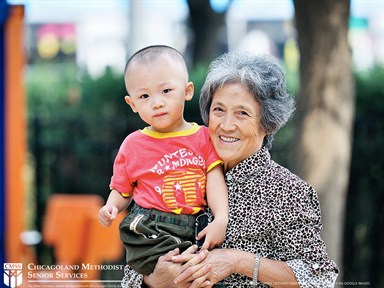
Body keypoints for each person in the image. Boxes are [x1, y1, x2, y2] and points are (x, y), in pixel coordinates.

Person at [122, 51, 339, 287]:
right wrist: (151, 279)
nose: (226, 125)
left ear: (268, 123)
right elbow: (131, 272)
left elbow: (320, 278)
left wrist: (238, 262)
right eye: (219, 110)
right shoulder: (168, 174)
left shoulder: (287, 191)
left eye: (242, 113)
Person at [98, 45, 228, 276]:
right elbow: (122, 189)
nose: (156, 102)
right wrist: (111, 207)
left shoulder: (203, 137)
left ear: (187, 91)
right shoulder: (133, 144)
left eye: (166, 90)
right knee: (179, 268)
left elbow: (214, 179)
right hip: (149, 227)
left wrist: (220, 219)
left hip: (193, 225)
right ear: (133, 104)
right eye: (145, 96)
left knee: (200, 270)